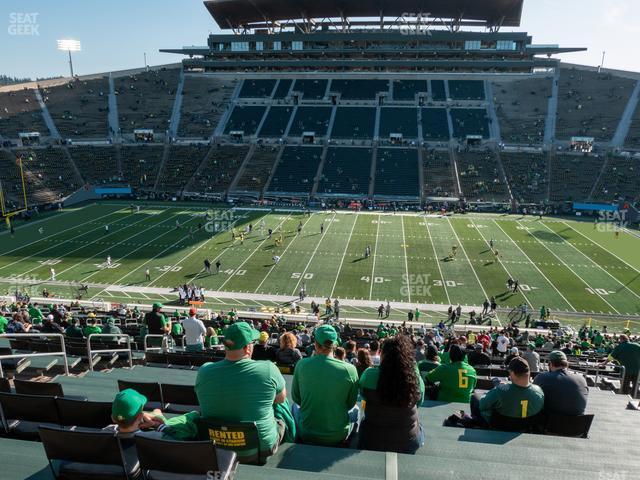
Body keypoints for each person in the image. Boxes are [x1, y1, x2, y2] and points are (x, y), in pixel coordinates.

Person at [195, 322, 288, 457]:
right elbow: (281, 399)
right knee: (281, 407)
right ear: (247, 348)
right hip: (259, 449)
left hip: (215, 446)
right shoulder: (268, 369)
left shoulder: (204, 371)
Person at [291, 325, 359, 446]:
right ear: (334, 345)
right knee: (357, 409)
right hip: (337, 435)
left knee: (293, 407)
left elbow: (297, 399)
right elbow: (350, 404)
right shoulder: (350, 369)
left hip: (307, 433)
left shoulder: (301, 365)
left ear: (315, 344)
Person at [358, 336, 424, 453]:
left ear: (382, 354)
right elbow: (418, 403)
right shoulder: (416, 379)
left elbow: (363, 396)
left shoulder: (369, 375)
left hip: (372, 441)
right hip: (408, 442)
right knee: (419, 425)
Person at [472, 357, 544, 427]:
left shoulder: (500, 391)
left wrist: (496, 389)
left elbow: (482, 406)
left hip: (500, 426)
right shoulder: (539, 391)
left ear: (512, 372)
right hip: (526, 427)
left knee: (474, 398)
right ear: (528, 372)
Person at [534, 351, 588, 416]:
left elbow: (533, 397)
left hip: (550, 424)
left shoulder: (542, 377)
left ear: (550, 363)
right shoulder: (582, 379)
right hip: (578, 424)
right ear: (566, 364)